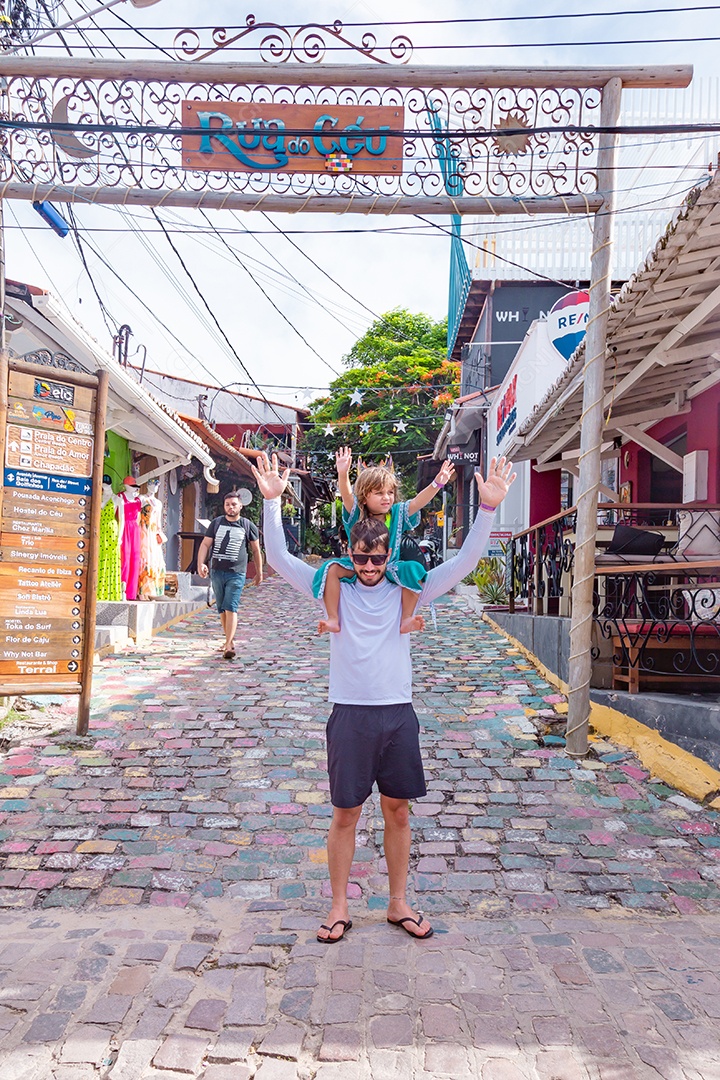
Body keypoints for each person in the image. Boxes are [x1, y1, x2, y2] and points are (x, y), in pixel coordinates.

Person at [252, 451, 515, 944]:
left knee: (398, 810)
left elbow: (464, 563)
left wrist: (487, 511)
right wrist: (270, 503)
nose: (370, 566)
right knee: (345, 814)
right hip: (349, 714)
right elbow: (280, 559)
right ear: (350, 554)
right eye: (361, 558)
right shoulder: (337, 590)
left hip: (398, 715)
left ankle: (398, 903)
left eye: (377, 558)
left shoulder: (405, 588)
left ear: (387, 555)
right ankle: (338, 906)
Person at [314, 447, 456, 636]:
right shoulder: (356, 514)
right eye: (379, 493)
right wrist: (342, 474)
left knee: (413, 569)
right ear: (364, 496)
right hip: (358, 566)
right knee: (331, 569)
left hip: (391, 566)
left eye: (390, 492)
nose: (386, 497)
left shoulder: (397, 513)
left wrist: (436, 485)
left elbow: (417, 502)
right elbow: (347, 496)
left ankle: (406, 618)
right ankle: (333, 618)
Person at [197, 491, 263, 660]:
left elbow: (256, 550)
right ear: (224, 506)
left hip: (237, 573)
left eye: (234, 504)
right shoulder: (216, 523)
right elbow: (205, 544)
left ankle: (228, 645)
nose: (231, 507)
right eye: (228, 504)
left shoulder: (247, 525)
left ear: (240, 506)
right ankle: (229, 640)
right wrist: (201, 563)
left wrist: (259, 572)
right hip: (217, 571)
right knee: (222, 609)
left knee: (231, 606)